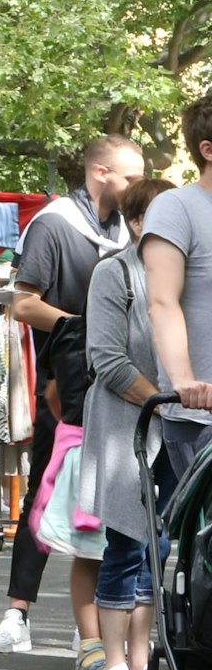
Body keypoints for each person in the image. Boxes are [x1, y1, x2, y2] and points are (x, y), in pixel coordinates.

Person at [0, 136, 144, 670]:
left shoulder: (129, 230)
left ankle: (96, 634)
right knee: (48, 494)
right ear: (100, 172)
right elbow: (23, 303)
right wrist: (82, 328)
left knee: (107, 506)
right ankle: (17, 612)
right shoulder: (53, 224)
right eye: (130, 176)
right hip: (67, 382)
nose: (138, 187)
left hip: (115, 381)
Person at [81, 178, 175, 670]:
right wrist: (165, 401)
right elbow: (108, 360)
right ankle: (113, 668)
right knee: (125, 546)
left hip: (177, 426)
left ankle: (142, 664)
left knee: (158, 550)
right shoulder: (113, 272)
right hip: (127, 428)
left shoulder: (185, 273)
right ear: (135, 222)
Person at [145, 95, 212, 507]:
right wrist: (184, 381)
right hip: (200, 418)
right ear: (207, 149)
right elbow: (162, 302)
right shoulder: (176, 207)